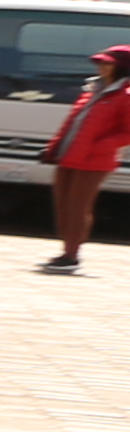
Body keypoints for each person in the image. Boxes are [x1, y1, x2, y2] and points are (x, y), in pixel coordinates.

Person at [42, 41, 130, 273]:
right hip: (69, 155)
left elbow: (127, 133)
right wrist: (54, 148)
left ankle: (72, 256)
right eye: (99, 62)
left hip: (94, 160)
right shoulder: (93, 89)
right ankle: (65, 251)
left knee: (79, 206)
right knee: (63, 205)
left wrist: (99, 146)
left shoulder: (125, 94)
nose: (100, 67)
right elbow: (72, 124)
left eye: (106, 64)